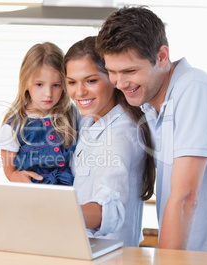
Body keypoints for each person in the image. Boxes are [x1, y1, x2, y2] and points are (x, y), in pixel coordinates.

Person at [96, 6, 207, 253]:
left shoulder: (194, 90)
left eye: (130, 71)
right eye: (112, 72)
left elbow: (185, 198)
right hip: (185, 254)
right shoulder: (152, 104)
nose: (120, 83)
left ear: (162, 57)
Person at [64, 36, 155, 247]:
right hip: (81, 251)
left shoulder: (120, 135)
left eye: (91, 81)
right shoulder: (88, 119)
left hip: (110, 256)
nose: (79, 92)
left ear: (113, 80)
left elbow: (110, 209)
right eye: (72, 82)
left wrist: (54, 214)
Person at [0, 42, 77, 185]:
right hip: (33, 193)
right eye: (39, 84)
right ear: (26, 83)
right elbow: (9, 170)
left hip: (66, 192)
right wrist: (15, 176)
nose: (48, 94)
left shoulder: (71, 115)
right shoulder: (14, 126)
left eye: (56, 85)